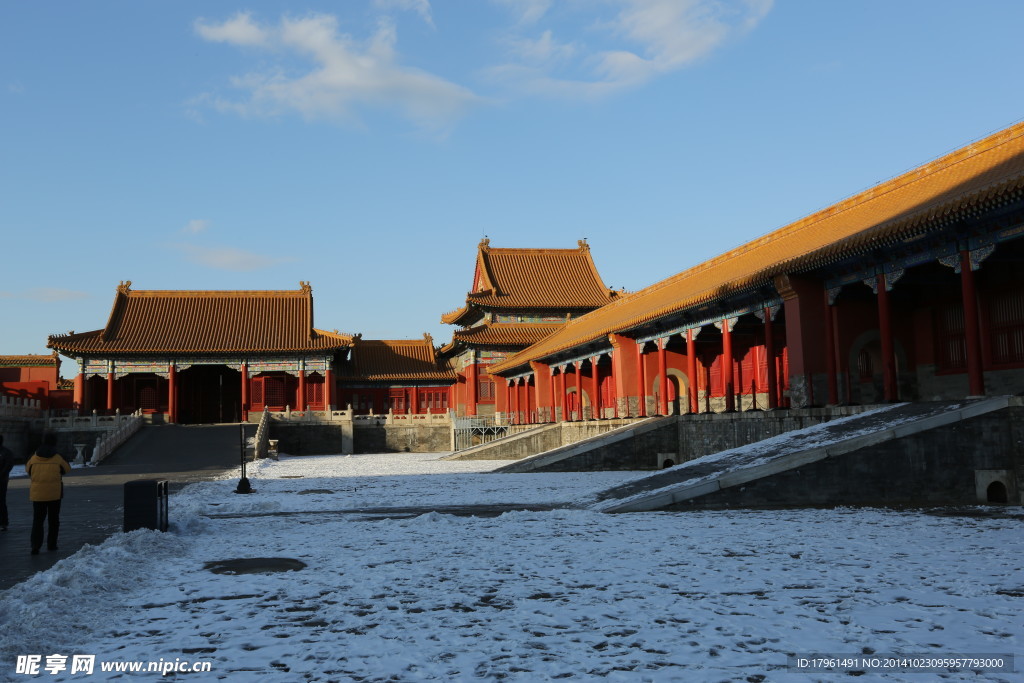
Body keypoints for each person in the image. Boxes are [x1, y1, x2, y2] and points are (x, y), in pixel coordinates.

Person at [26, 433, 70, 555]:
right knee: (53, 520)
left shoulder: (33, 457)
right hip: (54, 494)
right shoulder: (58, 457)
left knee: (38, 521)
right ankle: (52, 545)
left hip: (37, 494)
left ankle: (35, 546)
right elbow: (67, 469)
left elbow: (27, 470)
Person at [0, 434, 14, 531]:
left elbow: (8, 465)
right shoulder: (7, 452)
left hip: (2, 480)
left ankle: (3, 522)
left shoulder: (5, 452)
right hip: (3, 479)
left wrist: (2, 474)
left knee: (1, 501)